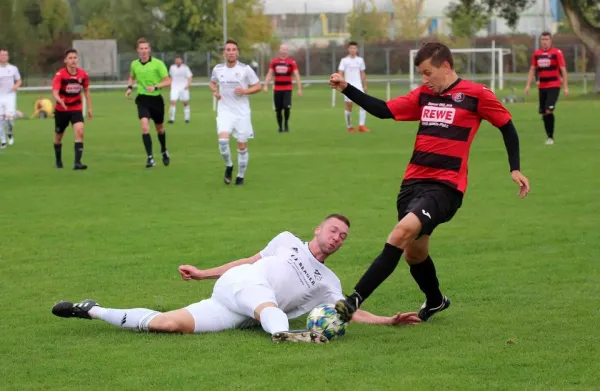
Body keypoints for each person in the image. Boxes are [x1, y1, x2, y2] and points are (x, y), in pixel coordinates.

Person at [329, 42, 531, 323]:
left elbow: (506, 125)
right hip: (412, 184)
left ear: (445, 67)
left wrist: (515, 168)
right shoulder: (424, 95)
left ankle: (352, 301)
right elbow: (385, 109)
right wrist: (347, 89)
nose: (424, 80)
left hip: (446, 186)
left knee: (401, 232)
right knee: (414, 253)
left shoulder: (476, 95)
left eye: (427, 73)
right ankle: (436, 300)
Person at [51, 214, 421, 344]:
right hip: (242, 284)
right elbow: (247, 260)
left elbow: (348, 311)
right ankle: (284, 335)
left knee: (166, 324)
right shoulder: (287, 241)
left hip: (236, 310)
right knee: (266, 302)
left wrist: (388, 320)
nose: (337, 238)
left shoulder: (329, 281)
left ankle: (93, 310)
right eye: (334, 230)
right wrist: (203, 273)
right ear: (318, 229)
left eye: (343, 237)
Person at [209, 39, 261, 186]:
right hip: (225, 110)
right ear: (224, 52)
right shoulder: (218, 69)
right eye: (228, 50)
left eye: (233, 50)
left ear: (237, 52)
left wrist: (245, 91)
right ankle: (229, 165)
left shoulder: (245, 69)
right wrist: (215, 91)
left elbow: (258, 86)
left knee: (242, 146)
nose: (231, 52)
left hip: (242, 113)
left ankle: (240, 176)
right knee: (223, 141)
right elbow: (212, 83)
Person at [126, 38, 171, 168]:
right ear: (137, 50)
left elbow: (168, 81)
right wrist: (129, 88)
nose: (144, 51)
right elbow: (132, 77)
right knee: (145, 126)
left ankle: (163, 150)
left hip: (156, 100)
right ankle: (150, 157)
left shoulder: (158, 64)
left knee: (160, 129)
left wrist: (156, 87)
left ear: (149, 49)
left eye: (146, 48)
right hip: (142, 99)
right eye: (141, 49)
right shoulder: (134, 64)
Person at [524, 31, 568, 145]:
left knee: (549, 110)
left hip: (554, 85)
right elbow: (533, 69)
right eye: (543, 40)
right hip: (542, 86)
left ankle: (550, 137)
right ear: (540, 41)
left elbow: (563, 70)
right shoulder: (536, 54)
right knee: (544, 112)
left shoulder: (556, 53)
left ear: (550, 41)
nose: (545, 42)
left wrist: (566, 87)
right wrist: (528, 85)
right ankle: (549, 134)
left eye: (547, 39)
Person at [51, 49, 92, 170]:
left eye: (75, 57)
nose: (73, 60)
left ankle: (77, 163)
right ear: (65, 60)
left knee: (80, 131)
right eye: (70, 58)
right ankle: (58, 160)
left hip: (76, 108)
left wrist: (89, 108)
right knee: (58, 136)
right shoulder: (60, 75)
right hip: (62, 110)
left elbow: (86, 91)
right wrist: (59, 100)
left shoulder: (83, 74)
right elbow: (54, 92)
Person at [263, 44, 302, 133]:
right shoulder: (274, 62)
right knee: (278, 109)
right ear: (280, 50)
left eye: (285, 50)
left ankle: (286, 124)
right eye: (282, 49)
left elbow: (296, 75)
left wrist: (299, 88)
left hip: (287, 88)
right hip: (277, 89)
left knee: (287, 107)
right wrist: (265, 85)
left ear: (287, 51)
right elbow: (270, 74)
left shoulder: (291, 62)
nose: (284, 51)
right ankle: (280, 127)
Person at [337, 41, 369, 133]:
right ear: (348, 49)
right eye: (351, 48)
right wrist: (341, 84)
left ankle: (361, 125)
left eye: (354, 48)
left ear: (357, 49)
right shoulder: (344, 60)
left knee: (363, 104)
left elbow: (362, 73)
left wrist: (365, 85)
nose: (353, 50)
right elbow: (340, 73)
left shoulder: (360, 60)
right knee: (349, 106)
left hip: (358, 85)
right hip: (348, 86)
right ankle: (349, 126)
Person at [0, 49, 22, 147]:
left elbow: (19, 80)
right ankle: (3, 141)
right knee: (0, 120)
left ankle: (9, 133)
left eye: (5, 55)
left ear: (8, 57)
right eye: (2, 55)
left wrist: (16, 86)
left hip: (10, 96)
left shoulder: (13, 68)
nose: (4, 57)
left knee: (9, 120)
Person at [168, 55, 193, 124]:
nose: (177, 61)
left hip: (183, 87)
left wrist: (188, 85)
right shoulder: (172, 67)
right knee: (173, 102)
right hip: (174, 87)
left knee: (185, 103)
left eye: (179, 60)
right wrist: (170, 85)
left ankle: (187, 119)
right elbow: (170, 77)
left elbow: (190, 77)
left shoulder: (185, 68)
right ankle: (171, 119)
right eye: (176, 60)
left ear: (181, 60)